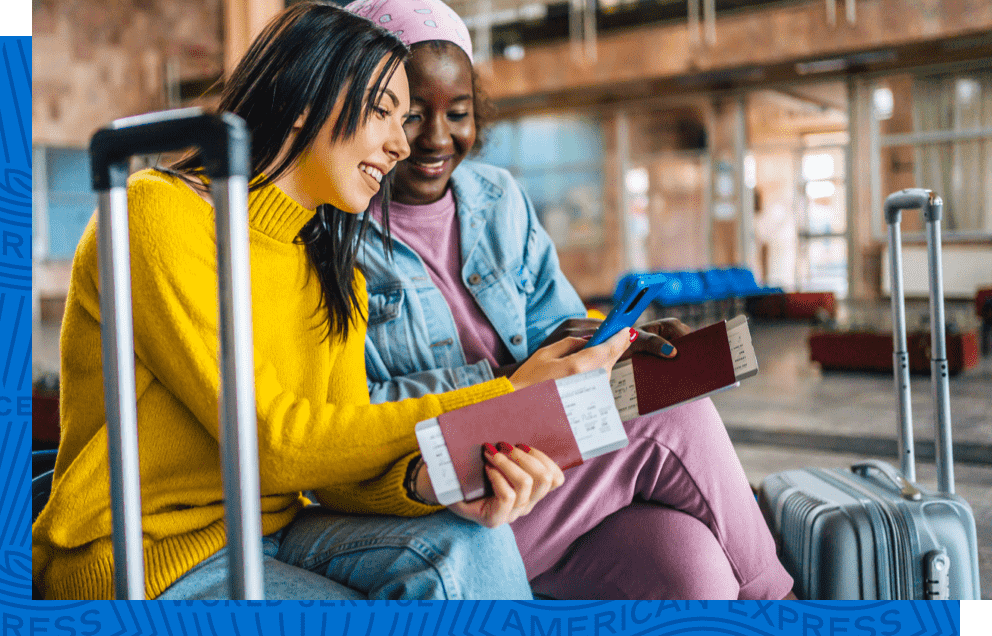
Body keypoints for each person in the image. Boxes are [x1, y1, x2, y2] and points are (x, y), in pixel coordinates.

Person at [31, 1, 633, 601]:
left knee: (471, 540)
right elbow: (274, 441)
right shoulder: (159, 214)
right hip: (147, 557)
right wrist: (509, 393)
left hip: (274, 527)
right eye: (384, 113)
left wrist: (428, 483)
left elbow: (335, 473)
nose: (402, 144)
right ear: (302, 104)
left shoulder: (332, 271)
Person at [346, 0, 796, 599]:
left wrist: (614, 341)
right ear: (367, 114)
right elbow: (349, 409)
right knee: (666, 412)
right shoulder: (338, 231)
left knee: (691, 566)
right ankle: (785, 604)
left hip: (543, 464)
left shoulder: (496, 196)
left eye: (458, 112)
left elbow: (553, 325)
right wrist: (506, 380)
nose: (437, 137)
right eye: (409, 115)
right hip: (447, 486)